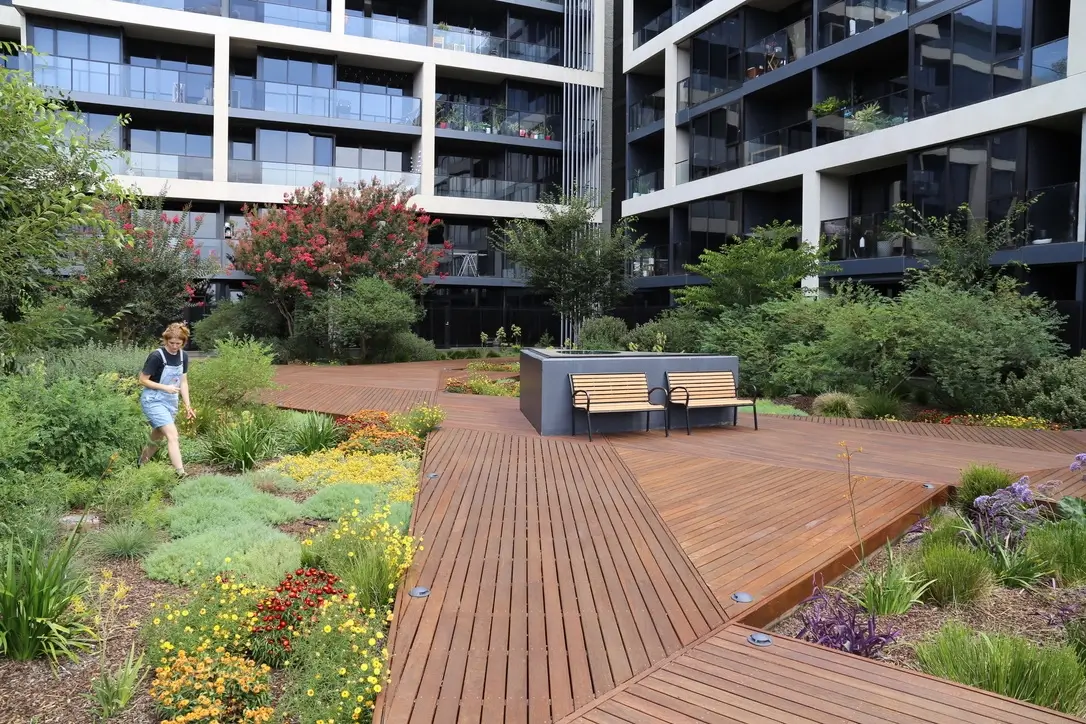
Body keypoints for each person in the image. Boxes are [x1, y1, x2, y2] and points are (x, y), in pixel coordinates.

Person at [138, 322, 197, 476]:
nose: (175, 346)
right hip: (153, 400)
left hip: (170, 401)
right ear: (165, 340)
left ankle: (140, 464)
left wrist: (188, 406)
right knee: (172, 435)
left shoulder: (183, 356)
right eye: (171, 343)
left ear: (183, 342)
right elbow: (143, 380)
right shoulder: (157, 356)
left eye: (179, 343)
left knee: (157, 436)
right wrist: (166, 388)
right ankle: (181, 473)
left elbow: (183, 382)